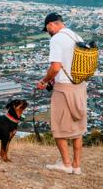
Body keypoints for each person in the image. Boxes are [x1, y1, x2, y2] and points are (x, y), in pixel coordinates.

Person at [36, 13, 88, 175]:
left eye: (47, 29)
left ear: (52, 25)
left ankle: (66, 164)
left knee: (58, 127)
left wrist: (44, 81)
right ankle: (76, 165)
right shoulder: (75, 35)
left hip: (64, 88)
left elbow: (56, 67)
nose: (48, 32)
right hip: (80, 85)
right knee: (78, 128)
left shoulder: (56, 39)